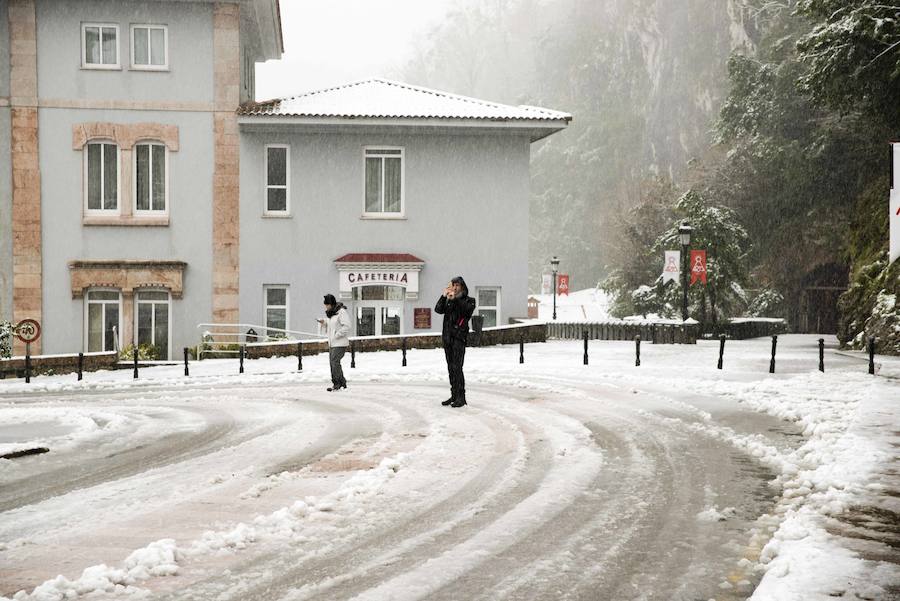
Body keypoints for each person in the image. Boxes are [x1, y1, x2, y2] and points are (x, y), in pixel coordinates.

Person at [434, 276, 476, 407]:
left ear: (462, 287)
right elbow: (438, 309)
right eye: (453, 285)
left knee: (457, 368)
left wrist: (455, 299)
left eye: (457, 285)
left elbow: (466, 311)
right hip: (447, 339)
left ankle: (461, 397)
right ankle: (453, 395)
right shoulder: (449, 300)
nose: (455, 287)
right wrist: (443, 296)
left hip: (459, 338)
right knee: (450, 368)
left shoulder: (469, 301)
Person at [318, 293, 350, 392]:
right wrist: (324, 323)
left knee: (335, 362)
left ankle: (338, 383)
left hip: (340, 343)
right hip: (332, 343)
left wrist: (337, 334)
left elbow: (347, 326)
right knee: (332, 363)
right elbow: (331, 325)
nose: (326, 307)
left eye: (327, 304)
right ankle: (340, 383)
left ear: (331, 304)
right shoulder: (331, 314)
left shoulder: (341, 312)